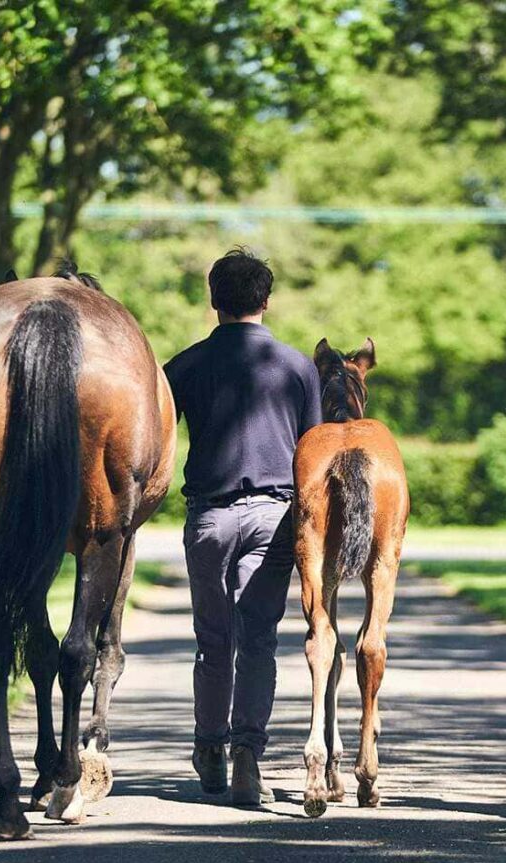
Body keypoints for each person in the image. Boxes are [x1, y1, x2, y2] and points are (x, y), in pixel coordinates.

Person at [164, 248, 322, 807]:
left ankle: (209, 747)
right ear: (266, 299)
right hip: (275, 518)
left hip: (209, 514)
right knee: (258, 640)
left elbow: (156, 443)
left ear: (213, 301)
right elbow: (314, 453)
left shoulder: (183, 367)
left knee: (213, 638)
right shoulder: (299, 366)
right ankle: (247, 758)